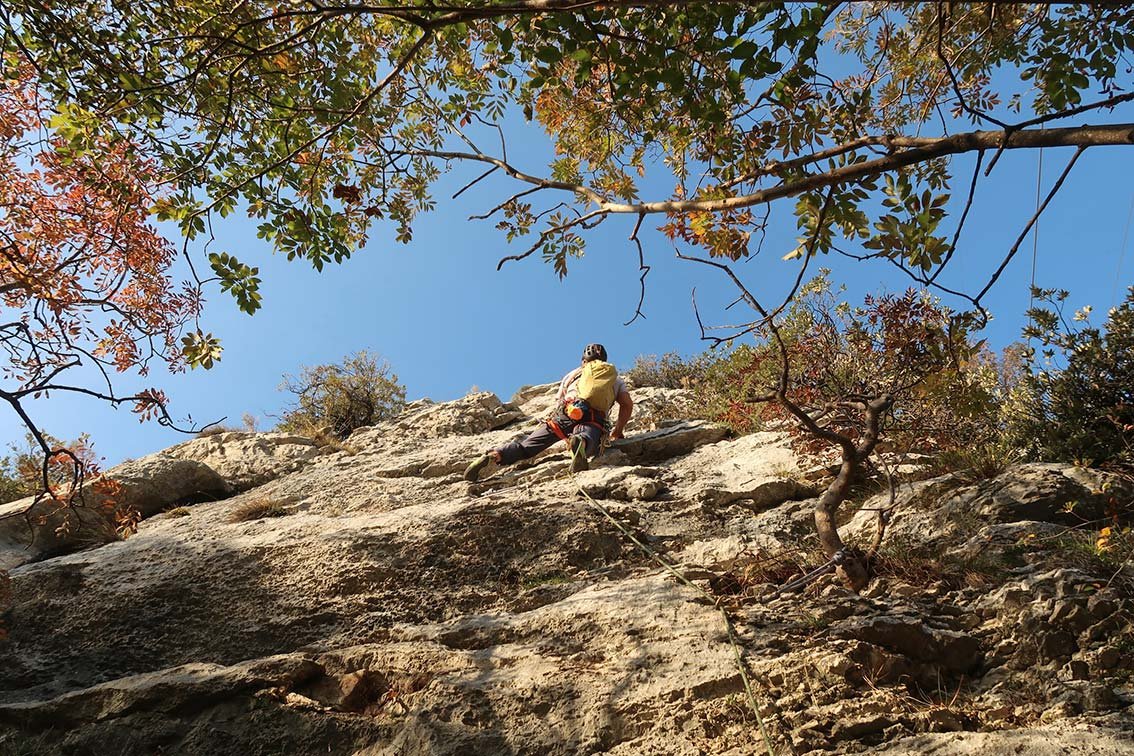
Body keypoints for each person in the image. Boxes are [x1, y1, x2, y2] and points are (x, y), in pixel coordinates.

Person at [464, 343, 633, 481]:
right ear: (604, 361)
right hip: (593, 418)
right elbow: (626, 405)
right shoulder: (614, 378)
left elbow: (560, 400)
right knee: (587, 436)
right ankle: (580, 442)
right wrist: (617, 431)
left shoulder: (571, 375)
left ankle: (496, 455)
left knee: (527, 446)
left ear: (583, 361)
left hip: (566, 413)